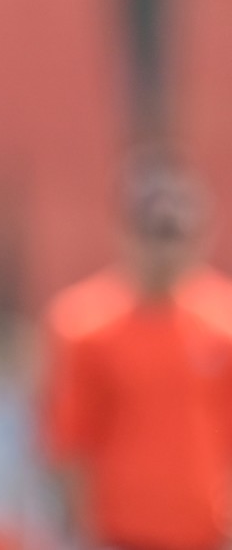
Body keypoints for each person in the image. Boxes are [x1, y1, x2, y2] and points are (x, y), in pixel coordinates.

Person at [39, 153, 232, 550]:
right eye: (151, 232)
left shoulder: (224, 322)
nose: (163, 249)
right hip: (119, 535)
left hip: (206, 534)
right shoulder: (84, 324)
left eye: (173, 233)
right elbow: (71, 444)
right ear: (125, 233)